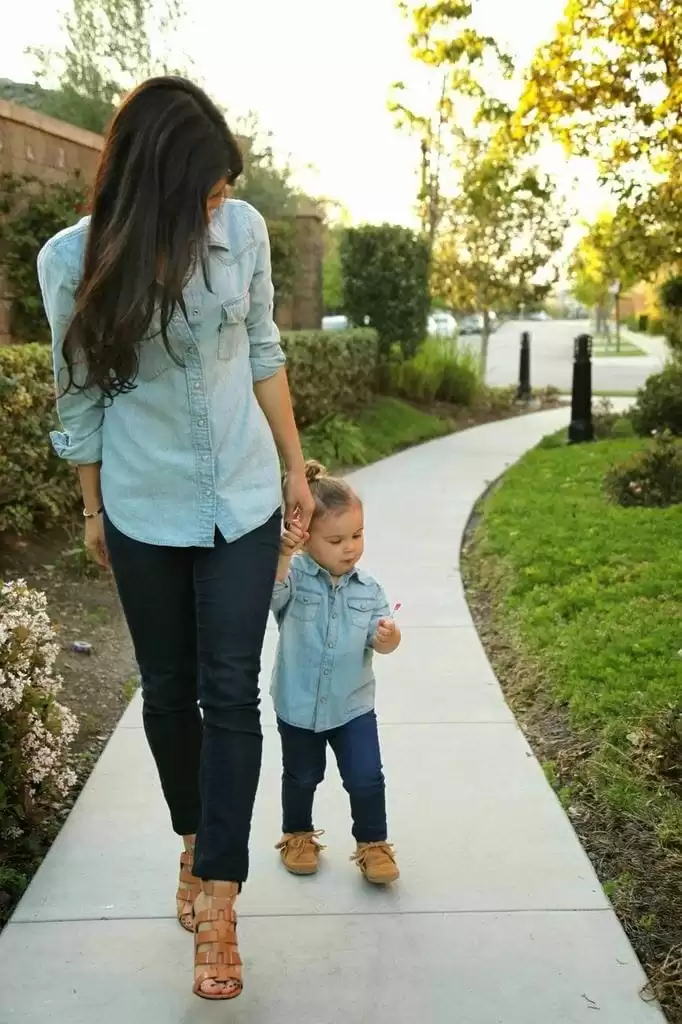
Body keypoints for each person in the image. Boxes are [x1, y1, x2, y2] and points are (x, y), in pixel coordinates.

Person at [37, 76, 315, 1001]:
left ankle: (221, 893)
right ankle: (194, 834)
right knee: (168, 691)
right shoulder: (71, 262)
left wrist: (293, 466)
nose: (219, 205)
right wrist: (90, 511)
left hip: (241, 495)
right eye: (204, 191)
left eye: (225, 187)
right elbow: (77, 398)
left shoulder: (246, 234)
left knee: (232, 688)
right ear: (157, 185)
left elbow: (265, 351)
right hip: (144, 502)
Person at [270, 461, 401, 884]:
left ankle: (373, 844)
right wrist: (283, 553)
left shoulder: (369, 589)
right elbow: (268, 595)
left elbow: (383, 639)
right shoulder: (294, 578)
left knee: (366, 777)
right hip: (299, 703)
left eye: (357, 536)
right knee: (302, 775)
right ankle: (298, 835)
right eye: (337, 539)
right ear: (307, 541)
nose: (350, 547)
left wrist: (387, 638)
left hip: (352, 705)